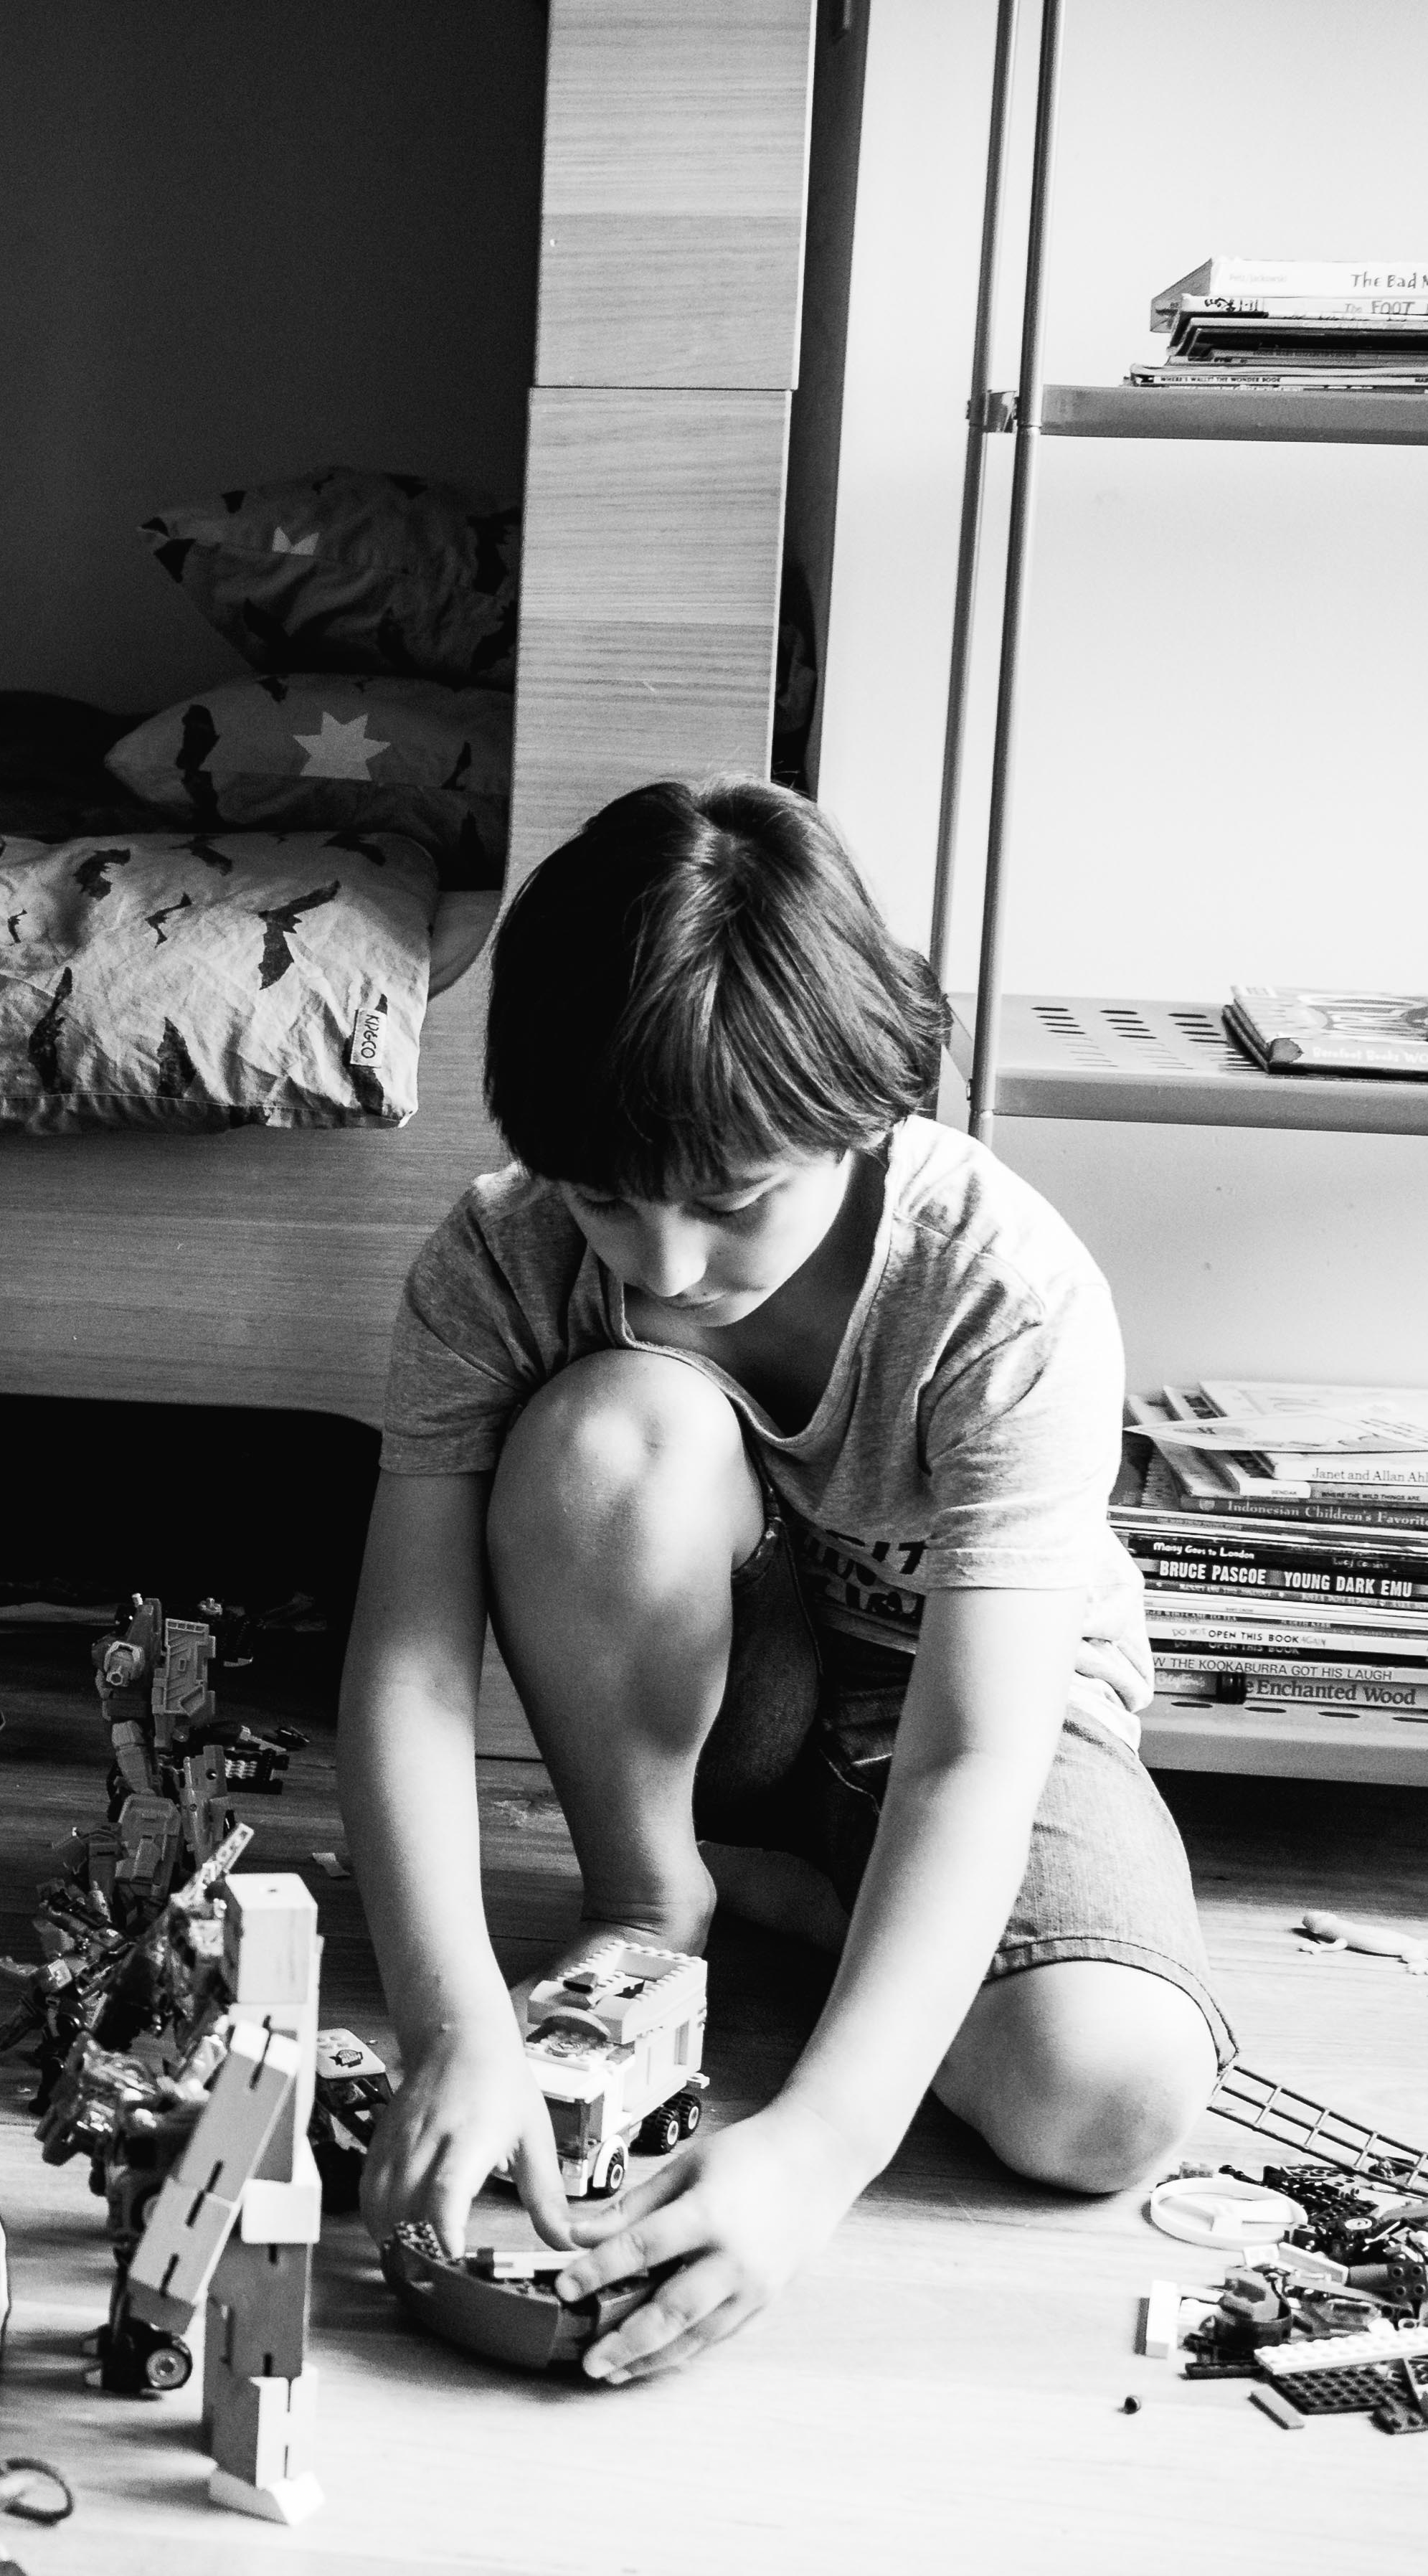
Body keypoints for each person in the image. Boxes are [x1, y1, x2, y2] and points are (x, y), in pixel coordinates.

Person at [340, 776, 1224, 2383]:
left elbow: (974, 1752)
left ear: (864, 1103)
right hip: (721, 1693)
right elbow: (403, 1663)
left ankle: (814, 1906)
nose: (661, 1266)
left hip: (977, 1718)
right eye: (605, 1197)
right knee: (615, 1421)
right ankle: (655, 1891)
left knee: (1108, 2097)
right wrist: (452, 2016)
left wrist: (818, 2146)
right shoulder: (497, 1254)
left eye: (732, 1200)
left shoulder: (1003, 1288)